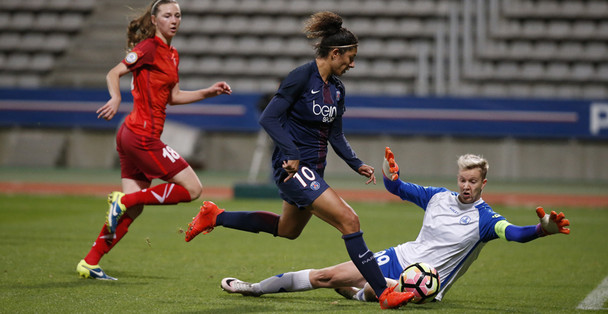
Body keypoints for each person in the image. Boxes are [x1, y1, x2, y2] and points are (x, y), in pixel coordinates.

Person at [184, 11, 416, 309]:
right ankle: (384, 293)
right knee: (349, 219)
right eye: (350, 57)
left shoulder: (337, 89)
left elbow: (335, 134)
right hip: (293, 169)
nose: (352, 64)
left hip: (313, 171)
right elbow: (269, 118)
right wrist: (292, 153)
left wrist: (355, 162)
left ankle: (215, 216)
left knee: (288, 230)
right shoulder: (300, 77)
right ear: (335, 53)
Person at [218, 147, 571, 305]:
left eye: (473, 181)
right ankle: (255, 289)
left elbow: (516, 234)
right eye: (462, 179)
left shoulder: (485, 219)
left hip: (424, 285)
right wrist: (391, 175)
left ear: (483, 184)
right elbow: (396, 188)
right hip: (397, 258)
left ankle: (361, 292)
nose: (466, 186)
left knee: (371, 290)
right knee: (326, 277)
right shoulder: (437, 196)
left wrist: (542, 229)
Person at [76, 0, 232, 280]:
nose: (174, 20)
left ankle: (90, 261)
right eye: (168, 15)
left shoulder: (172, 54)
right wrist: (115, 96)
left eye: (178, 15)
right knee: (193, 189)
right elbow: (114, 73)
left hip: (132, 134)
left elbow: (173, 96)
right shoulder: (148, 48)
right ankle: (122, 200)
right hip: (141, 135)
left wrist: (208, 92)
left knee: (133, 209)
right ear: (155, 19)